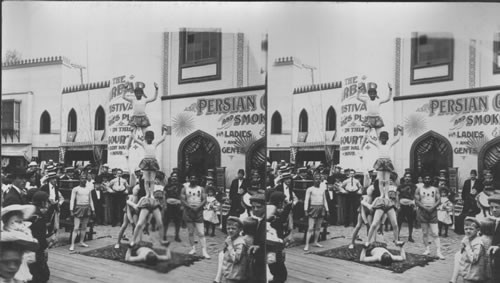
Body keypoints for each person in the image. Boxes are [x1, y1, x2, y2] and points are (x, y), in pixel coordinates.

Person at [1, 204, 37, 282]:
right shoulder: (5, 235)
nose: (20, 225)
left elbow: (32, 256)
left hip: (21, 266)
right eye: (16, 221)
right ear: (8, 222)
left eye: (21, 222)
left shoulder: (25, 233)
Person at [449, 217, 489, 283]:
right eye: (466, 229)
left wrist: (467, 246)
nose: (468, 231)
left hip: (474, 275)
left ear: (477, 229)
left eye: (471, 229)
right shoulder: (468, 238)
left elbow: (473, 259)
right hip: (467, 272)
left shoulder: (478, 243)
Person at [180, 175, 210, 259]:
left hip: (198, 211)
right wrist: (190, 207)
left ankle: (204, 251)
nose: (193, 179)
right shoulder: (184, 188)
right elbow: (182, 199)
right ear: (189, 179)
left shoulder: (201, 189)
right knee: (190, 232)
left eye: (195, 178)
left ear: (197, 180)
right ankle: (193, 248)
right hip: (188, 211)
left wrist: (197, 207)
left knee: (201, 232)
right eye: (191, 178)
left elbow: (204, 199)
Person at [123, 82, 159, 152]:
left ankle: (147, 148)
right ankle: (127, 148)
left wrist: (156, 89)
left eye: (140, 93)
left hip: (143, 118)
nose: (138, 95)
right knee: (132, 134)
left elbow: (154, 98)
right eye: (137, 94)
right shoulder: (133, 100)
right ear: (135, 94)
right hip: (135, 118)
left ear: (142, 94)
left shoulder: (144, 100)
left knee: (146, 134)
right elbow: (124, 97)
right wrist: (125, 88)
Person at [415, 174, 444, 259]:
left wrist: (432, 207)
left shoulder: (435, 189)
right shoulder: (419, 189)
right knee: (425, 232)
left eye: (429, 178)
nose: (427, 180)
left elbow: (439, 200)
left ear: (431, 180)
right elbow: (417, 200)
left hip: (433, 212)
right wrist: (424, 208)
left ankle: (438, 251)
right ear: (423, 180)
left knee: (435, 233)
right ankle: (427, 249)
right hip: (423, 211)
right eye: (425, 178)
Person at [213, 216, 249, 283]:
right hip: (229, 272)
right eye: (228, 228)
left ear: (240, 229)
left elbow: (236, 258)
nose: (230, 230)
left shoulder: (240, 243)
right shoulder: (231, 238)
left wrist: (229, 245)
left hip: (235, 275)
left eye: (233, 228)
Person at [365, 175, 399, 246]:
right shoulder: (375, 187)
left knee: (395, 224)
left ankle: (396, 240)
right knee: (374, 224)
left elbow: (396, 194)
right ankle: (368, 241)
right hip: (380, 203)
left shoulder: (392, 186)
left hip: (388, 203)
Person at [356, 83, 393, 149]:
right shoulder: (366, 100)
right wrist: (358, 89)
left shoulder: (378, 100)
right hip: (369, 119)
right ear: (369, 95)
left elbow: (388, 99)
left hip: (377, 119)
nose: (372, 95)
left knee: (379, 135)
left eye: (373, 94)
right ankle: (361, 148)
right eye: (371, 94)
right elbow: (358, 97)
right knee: (366, 135)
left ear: (376, 94)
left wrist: (390, 89)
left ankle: (381, 148)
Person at [27, 191, 51, 283]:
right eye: (47, 201)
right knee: (43, 276)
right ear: (42, 202)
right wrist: (45, 247)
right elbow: (39, 236)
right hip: (37, 250)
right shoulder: (39, 217)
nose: (48, 204)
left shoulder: (31, 211)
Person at [303, 173, 329, 251]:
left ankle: (315, 242)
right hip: (313, 208)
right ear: (313, 180)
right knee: (310, 228)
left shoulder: (322, 189)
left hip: (321, 208)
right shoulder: (310, 189)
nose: (318, 180)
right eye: (316, 179)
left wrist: (327, 210)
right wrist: (305, 210)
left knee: (318, 227)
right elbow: (306, 200)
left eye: (319, 179)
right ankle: (307, 244)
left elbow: (325, 200)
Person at [69, 174, 95, 251]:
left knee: (84, 227)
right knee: (76, 227)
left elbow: (91, 200)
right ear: (79, 180)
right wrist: (71, 210)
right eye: (82, 178)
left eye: (85, 179)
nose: (83, 180)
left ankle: (81, 241)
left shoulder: (88, 189)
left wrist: (93, 210)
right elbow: (72, 200)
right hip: (78, 208)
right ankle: (72, 244)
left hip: (86, 208)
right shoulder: (75, 189)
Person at [247, 194, 266, 283]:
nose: (255, 209)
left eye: (258, 207)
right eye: (253, 207)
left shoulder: (268, 220)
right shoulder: (255, 218)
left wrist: (259, 246)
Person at [39, 171, 63, 241]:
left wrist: (58, 203)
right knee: (45, 224)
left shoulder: (56, 187)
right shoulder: (44, 187)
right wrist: (48, 201)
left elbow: (58, 197)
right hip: (45, 208)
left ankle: (51, 240)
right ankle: (44, 239)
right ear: (49, 180)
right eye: (53, 179)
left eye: (55, 178)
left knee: (53, 225)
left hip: (53, 209)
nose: (55, 180)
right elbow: (40, 197)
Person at [397, 172, 417, 242]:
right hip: (402, 205)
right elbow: (397, 195)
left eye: (409, 177)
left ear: (411, 178)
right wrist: (398, 205)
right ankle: (397, 236)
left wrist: (415, 205)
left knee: (410, 222)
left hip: (410, 205)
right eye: (406, 177)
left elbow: (415, 195)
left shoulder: (414, 186)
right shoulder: (400, 186)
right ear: (404, 177)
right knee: (399, 221)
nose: (407, 178)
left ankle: (410, 236)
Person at [163, 172, 182, 242]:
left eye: (175, 176)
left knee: (177, 222)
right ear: (171, 177)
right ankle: (164, 235)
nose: (174, 178)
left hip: (177, 205)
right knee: (166, 221)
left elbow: (182, 196)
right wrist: (164, 205)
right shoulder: (167, 186)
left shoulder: (181, 186)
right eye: (173, 176)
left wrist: (182, 205)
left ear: (177, 178)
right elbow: (164, 196)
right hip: (168, 205)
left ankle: (177, 236)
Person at [486, 194, 500, 282]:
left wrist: (498, 246)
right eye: (491, 207)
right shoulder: (495, 220)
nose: (494, 210)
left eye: (497, 207)